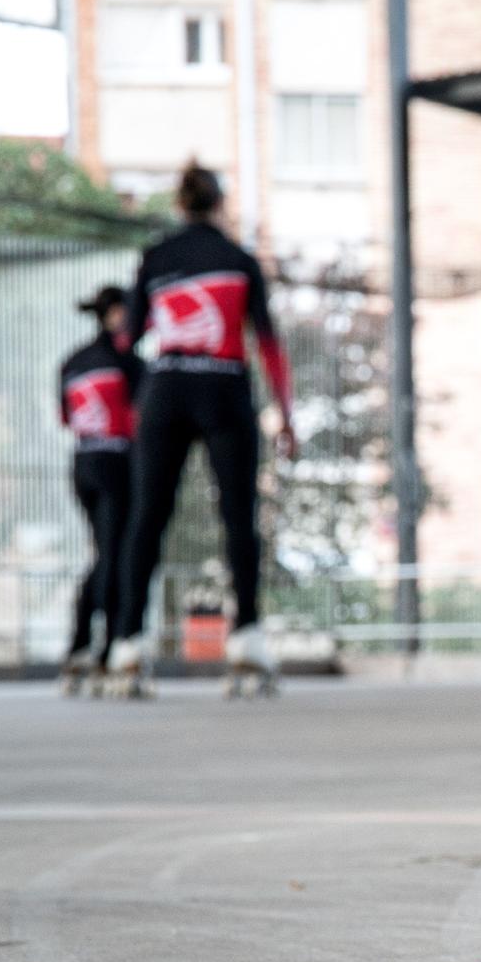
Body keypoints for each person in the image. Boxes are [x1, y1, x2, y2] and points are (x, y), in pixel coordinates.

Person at [105, 163, 297, 697]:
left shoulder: (156, 258)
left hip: (164, 390)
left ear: (180, 205)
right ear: (220, 204)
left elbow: (127, 340)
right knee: (238, 516)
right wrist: (286, 415)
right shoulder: (239, 261)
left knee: (147, 518)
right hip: (224, 390)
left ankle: (127, 643)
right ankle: (249, 640)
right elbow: (269, 344)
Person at [56, 284, 143, 693]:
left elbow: (65, 418)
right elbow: (143, 420)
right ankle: (107, 652)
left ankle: (79, 648)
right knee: (117, 557)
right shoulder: (128, 363)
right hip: (117, 463)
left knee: (104, 554)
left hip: (82, 464)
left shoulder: (72, 362)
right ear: (116, 315)